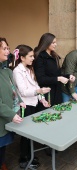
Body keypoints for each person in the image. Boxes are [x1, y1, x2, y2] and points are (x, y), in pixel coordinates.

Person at [13, 45, 51, 168]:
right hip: (25, 106)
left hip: (34, 103)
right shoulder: (17, 71)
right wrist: (39, 92)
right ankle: (23, 158)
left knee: (32, 133)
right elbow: (23, 92)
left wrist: (43, 99)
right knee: (25, 134)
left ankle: (30, 155)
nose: (33, 58)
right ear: (22, 58)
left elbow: (35, 87)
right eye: (30, 56)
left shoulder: (29, 69)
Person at [0, 37, 25, 170]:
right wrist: (11, 115)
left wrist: (20, 102)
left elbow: (13, 90)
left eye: (8, 48)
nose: (8, 51)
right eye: (4, 48)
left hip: (7, 117)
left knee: (3, 146)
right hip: (3, 117)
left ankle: (2, 162)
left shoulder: (7, 71)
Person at [33, 33, 75, 111]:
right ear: (46, 43)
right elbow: (40, 79)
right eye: (53, 42)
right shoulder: (40, 57)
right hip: (46, 95)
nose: (55, 44)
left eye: (56, 42)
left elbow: (57, 74)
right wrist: (58, 79)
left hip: (57, 93)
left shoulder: (54, 56)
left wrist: (68, 76)